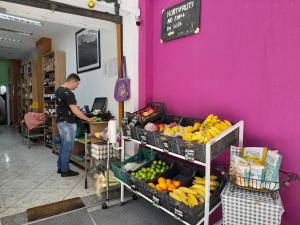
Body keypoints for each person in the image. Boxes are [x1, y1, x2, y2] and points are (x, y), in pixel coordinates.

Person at [55, 73, 95, 177]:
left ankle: (60, 167)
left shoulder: (59, 90)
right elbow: (75, 111)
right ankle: (65, 170)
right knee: (67, 147)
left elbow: (64, 106)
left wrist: (74, 107)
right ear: (72, 81)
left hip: (60, 121)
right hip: (68, 123)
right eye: (77, 84)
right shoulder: (68, 93)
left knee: (63, 146)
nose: (77, 87)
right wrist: (88, 119)